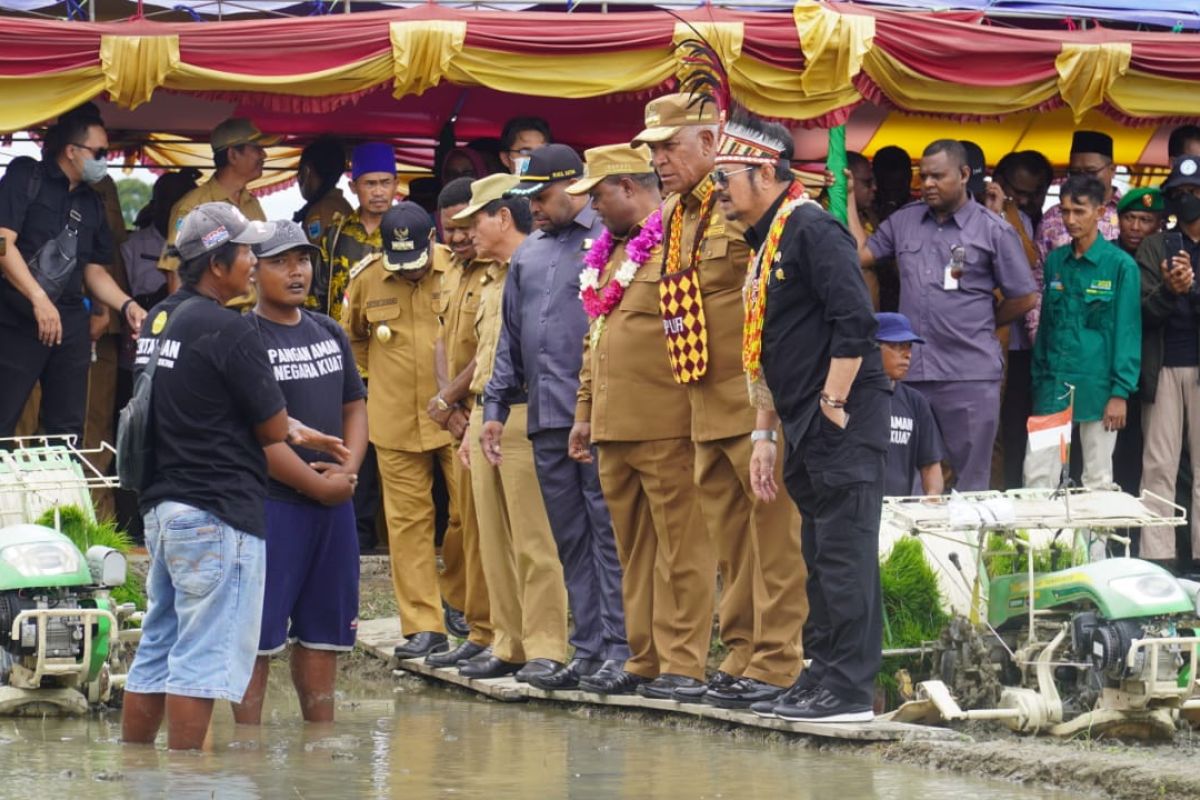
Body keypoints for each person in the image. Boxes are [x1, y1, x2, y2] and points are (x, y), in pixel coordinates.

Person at [120, 203, 346, 750]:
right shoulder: (228, 328)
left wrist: (299, 431)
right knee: (203, 656)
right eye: (246, 252)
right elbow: (267, 426)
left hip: (165, 509)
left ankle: (137, 772)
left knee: (157, 648)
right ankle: (188, 782)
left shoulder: (161, 318)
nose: (253, 262)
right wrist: (288, 429)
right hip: (218, 512)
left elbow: (197, 400)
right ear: (218, 264)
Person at [633, 92, 807, 706]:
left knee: (774, 540)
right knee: (732, 544)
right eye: (650, 151)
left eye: (668, 147)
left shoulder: (747, 207)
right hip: (703, 404)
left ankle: (779, 660)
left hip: (755, 405)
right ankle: (741, 652)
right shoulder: (679, 215)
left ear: (711, 144)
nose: (657, 161)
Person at [716, 113, 889, 723]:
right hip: (801, 421)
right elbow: (764, 345)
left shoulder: (814, 229)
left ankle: (849, 693)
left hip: (841, 419)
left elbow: (856, 323)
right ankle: (819, 676)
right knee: (816, 557)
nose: (718, 192)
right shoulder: (767, 240)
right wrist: (765, 433)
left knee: (844, 557)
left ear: (765, 171)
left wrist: (834, 402)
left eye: (725, 177)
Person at [565, 143, 714, 697]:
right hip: (612, 429)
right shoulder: (608, 253)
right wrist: (584, 413)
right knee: (633, 553)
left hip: (667, 425)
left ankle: (683, 663)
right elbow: (596, 340)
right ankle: (644, 658)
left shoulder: (678, 240)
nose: (592, 208)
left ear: (629, 187)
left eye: (598, 195)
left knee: (682, 551)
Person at [482, 143, 629, 691]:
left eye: (541, 197)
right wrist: (496, 407)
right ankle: (587, 649)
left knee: (607, 535)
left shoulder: (610, 239)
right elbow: (511, 339)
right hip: (545, 417)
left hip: (598, 416)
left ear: (574, 187)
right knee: (569, 538)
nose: (534, 209)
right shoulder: (530, 253)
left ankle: (621, 648)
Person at [232, 220, 367, 725]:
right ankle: (246, 751)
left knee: (324, 632)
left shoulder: (328, 330)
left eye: (303, 260)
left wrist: (346, 469)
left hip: (334, 504)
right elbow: (257, 434)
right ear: (253, 271)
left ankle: (321, 744)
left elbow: (354, 405)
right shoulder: (243, 336)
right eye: (281, 262)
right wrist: (316, 484)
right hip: (272, 504)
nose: (297, 272)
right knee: (258, 638)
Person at [849, 139, 1038, 492]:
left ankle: (965, 548)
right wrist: (846, 197)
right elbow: (860, 254)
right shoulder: (904, 221)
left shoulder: (992, 229)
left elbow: (1025, 296)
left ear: (965, 174)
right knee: (909, 482)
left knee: (970, 484)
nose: (928, 184)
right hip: (913, 374)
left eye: (938, 176)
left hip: (970, 375)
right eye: (923, 176)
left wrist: (988, 320)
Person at [448, 175, 568, 680]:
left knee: (533, 539)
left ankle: (547, 646)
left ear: (502, 217)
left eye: (474, 220)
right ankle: (508, 640)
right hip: (486, 413)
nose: (465, 232)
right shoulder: (488, 276)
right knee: (492, 539)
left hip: (524, 414)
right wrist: (473, 423)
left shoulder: (541, 264)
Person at [341, 201, 462, 661]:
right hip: (394, 420)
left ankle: (462, 598)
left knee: (466, 516)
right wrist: (383, 379)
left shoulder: (458, 270)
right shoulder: (367, 277)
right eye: (400, 263)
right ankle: (422, 625)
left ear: (433, 240)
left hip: (454, 419)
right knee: (408, 526)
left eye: (417, 262)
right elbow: (351, 337)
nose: (409, 272)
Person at [0, 109, 147, 440]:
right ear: (71, 150)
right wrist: (37, 297)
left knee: (66, 431)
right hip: (14, 316)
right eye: (100, 153)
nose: (105, 161)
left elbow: (94, 270)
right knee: (4, 419)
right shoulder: (25, 178)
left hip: (68, 321)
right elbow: (2, 243)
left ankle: (58, 493)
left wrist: (127, 306)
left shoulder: (93, 203)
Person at [1024, 175, 1140, 490]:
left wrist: (1120, 392)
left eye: (1079, 211)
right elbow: (1046, 325)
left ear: (1101, 212)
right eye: (1064, 211)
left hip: (1099, 387)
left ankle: (1093, 544)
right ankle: (1041, 541)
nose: (1071, 220)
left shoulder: (1120, 266)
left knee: (1098, 479)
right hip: (1052, 384)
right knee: (1037, 477)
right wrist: (1039, 378)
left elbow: (1127, 332)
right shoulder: (1056, 262)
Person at [424, 177, 494, 660]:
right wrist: (447, 405)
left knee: (492, 533)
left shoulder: (501, 269)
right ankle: (478, 630)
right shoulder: (449, 271)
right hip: (458, 419)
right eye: (451, 229)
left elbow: (491, 348)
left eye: (467, 226)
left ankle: (496, 632)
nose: (459, 237)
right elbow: (442, 341)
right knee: (465, 525)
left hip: (487, 414)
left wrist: (450, 399)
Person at [318, 141, 397, 552]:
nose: (379, 191)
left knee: (397, 447)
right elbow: (316, 295)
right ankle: (359, 538)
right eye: (370, 183)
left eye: (386, 182)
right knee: (351, 447)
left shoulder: (407, 232)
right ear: (354, 186)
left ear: (396, 184)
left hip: (394, 359)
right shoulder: (334, 237)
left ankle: (393, 538)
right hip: (344, 359)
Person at [1137, 155, 1200, 570]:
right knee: (1158, 465)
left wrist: (1191, 290)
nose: (1187, 199)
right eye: (1178, 193)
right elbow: (1141, 311)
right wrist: (1169, 290)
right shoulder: (1155, 246)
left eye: (1194, 192)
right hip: (1162, 368)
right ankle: (1158, 559)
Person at [159, 117, 277, 296]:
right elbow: (176, 272)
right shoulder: (192, 207)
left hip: (252, 320)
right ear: (233, 155)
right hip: (212, 318)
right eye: (257, 149)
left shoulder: (252, 204)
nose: (264, 155)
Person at [985, 151, 1044, 488]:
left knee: (1020, 428)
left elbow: (1031, 260)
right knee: (993, 428)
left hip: (1029, 346)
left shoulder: (1032, 217)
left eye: (1029, 192)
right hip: (995, 339)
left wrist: (1010, 211)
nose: (1022, 198)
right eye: (1016, 190)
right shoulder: (981, 214)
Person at [1031, 132, 1123, 342]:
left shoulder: (1130, 214)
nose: (1083, 179)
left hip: (1110, 335)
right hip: (1059, 335)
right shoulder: (1053, 217)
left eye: (1091, 171)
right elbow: (1036, 283)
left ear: (1112, 170)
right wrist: (1038, 337)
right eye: (1075, 172)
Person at [877, 313, 945, 497]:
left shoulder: (915, 401)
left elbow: (930, 463)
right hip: (855, 513)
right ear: (872, 348)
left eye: (908, 347)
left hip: (899, 511)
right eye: (897, 346)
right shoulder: (849, 399)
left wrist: (932, 498)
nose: (907, 354)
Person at [294, 136, 351, 248]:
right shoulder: (341, 205)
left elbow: (318, 261)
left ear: (306, 171)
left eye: (299, 173)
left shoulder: (320, 212)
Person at [1117, 187, 1164, 257]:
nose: (1135, 227)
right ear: (1119, 221)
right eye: (1129, 218)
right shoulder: (1104, 254)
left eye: (1145, 220)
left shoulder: (1167, 256)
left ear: (1159, 225)